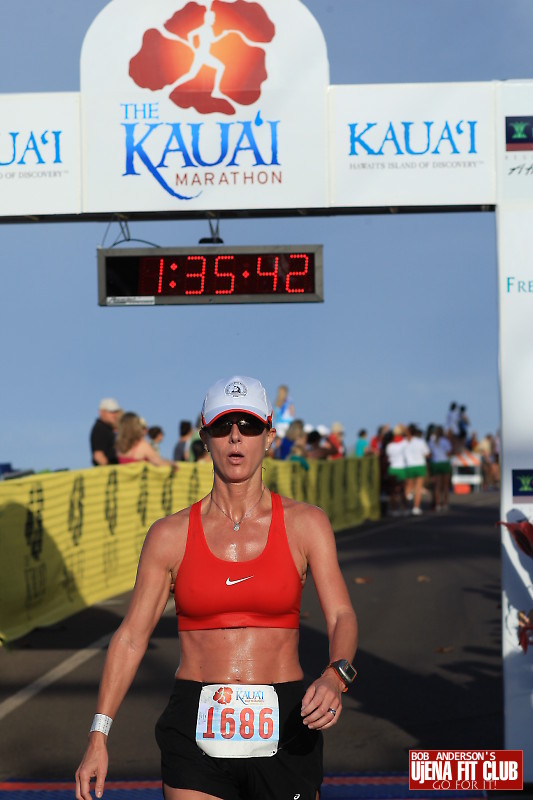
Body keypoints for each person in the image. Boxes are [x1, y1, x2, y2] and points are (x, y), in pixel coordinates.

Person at [75, 375, 357, 800]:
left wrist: (337, 676)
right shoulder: (168, 535)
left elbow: (341, 615)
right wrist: (99, 735)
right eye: (224, 427)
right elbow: (132, 637)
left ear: (270, 436)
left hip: (286, 718)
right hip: (195, 724)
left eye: (249, 426)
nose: (236, 438)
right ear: (205, 437)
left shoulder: (306, 524)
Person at [404, 424, 430, 515]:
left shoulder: (405, 442)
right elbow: (427, 454)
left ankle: (405, 508)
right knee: (418, 488)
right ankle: (416, 507)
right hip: (419, 465)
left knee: (408, 487)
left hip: (409, 466)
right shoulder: (421, 442)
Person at [90, 398, 121, 466]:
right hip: (108, 473)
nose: (114, 415)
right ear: (101, 412)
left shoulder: (108, 429)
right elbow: (98, 455)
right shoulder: (100, 429)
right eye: (111, 412)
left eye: (115, 412)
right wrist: (111, 471)